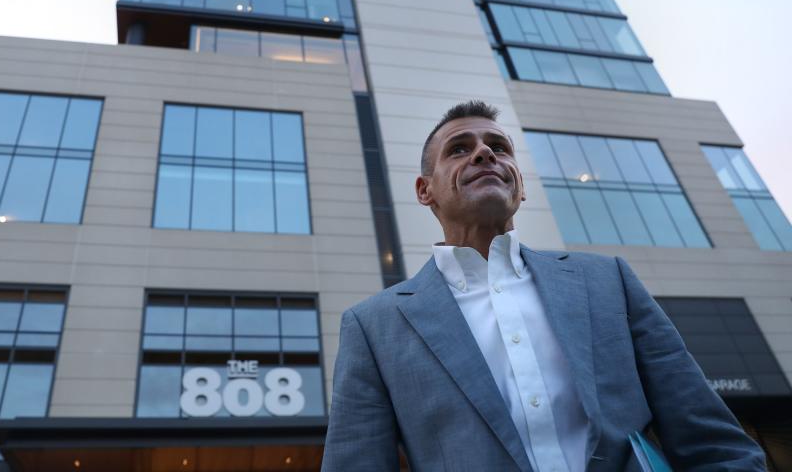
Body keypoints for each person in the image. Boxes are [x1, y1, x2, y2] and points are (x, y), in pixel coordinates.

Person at [322, 100, 764, 471]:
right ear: (425, 191)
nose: (484, 154)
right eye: (459, 149)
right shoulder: (373, 327)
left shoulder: (608, 281)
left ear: (520, 186)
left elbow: (713, 441)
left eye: (498, 147)